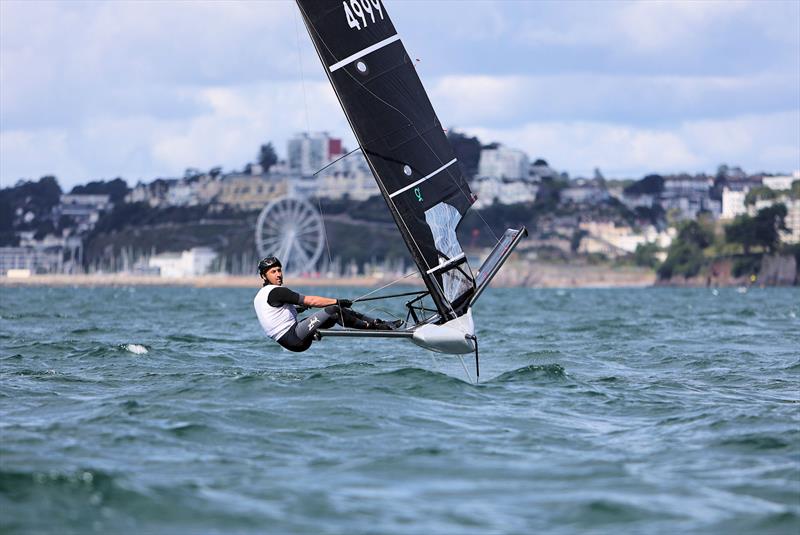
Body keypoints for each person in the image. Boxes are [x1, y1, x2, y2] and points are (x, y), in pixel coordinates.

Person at [253, 256, 403, 352]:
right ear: (263, 276)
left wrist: (297, 309)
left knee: (333, 315)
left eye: (279, 270)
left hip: (289, 339)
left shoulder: (261, 296)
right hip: (294, 338)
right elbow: (311, 300)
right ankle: (375, 327)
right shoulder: (277, 291)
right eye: (273, 272)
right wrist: (338, 301)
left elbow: (274, 315)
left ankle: (379, 322)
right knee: (333, 310)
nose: (278, 274)